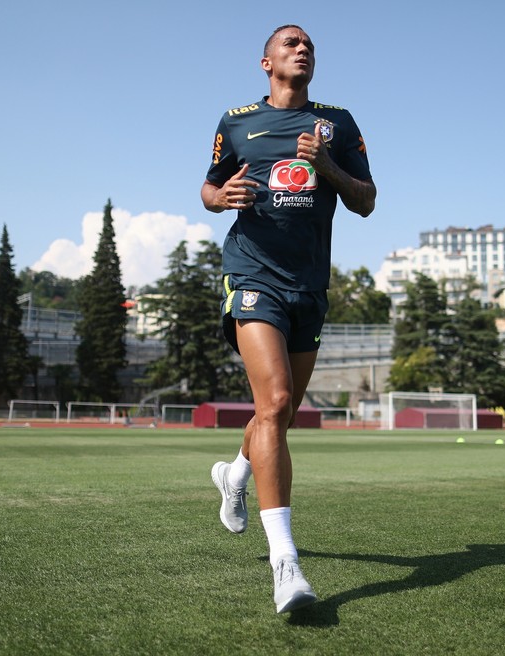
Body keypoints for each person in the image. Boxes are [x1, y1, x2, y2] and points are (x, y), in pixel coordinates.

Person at [201, 24, 376, 614]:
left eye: (309, 45)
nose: (303, 48)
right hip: (251, 274)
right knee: (274, 402)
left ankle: (235, 475)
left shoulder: (339, 122)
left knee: (283, 413)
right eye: (291, 42)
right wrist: (220, 199)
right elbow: (208, 186)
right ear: (266, 61)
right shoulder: (236, 121)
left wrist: (325, 163)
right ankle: (287, 567)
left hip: (310, 284)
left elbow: (366, 200)